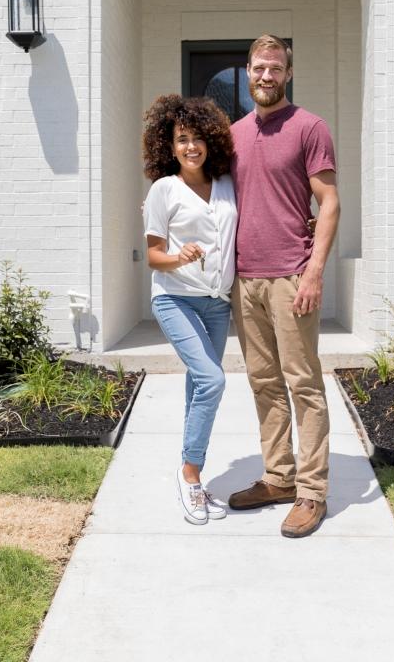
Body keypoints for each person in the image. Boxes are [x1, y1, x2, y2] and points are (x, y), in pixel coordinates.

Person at [225, 34, 340, 539]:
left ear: (287, 73)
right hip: (245, 278)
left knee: (304, 384)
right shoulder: (233, 134)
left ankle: (312, 491)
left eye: (275, 68)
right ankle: (278, 478)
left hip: (292, 277)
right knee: (264, 383)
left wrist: (314, 272)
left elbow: (330, 203)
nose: (266, 76)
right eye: (258, 68)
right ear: (246, 72)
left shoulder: (309, 127)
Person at [142, 94, 238, 525]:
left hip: (217, 303)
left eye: (198, 138)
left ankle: (192, 475)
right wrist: (180, 258)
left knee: (199, 388)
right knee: (213, 380)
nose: (191, 146)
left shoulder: (226, 184)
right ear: (170, 145)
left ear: (211, 141)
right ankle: (190, 473)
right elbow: (153, 256)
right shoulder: (164, 190)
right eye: (182, 139)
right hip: (174, 298)